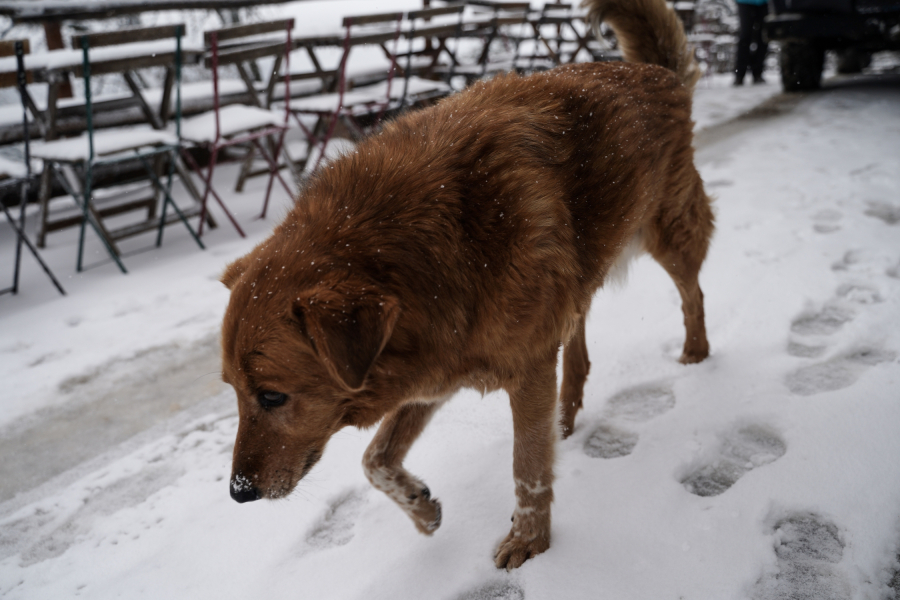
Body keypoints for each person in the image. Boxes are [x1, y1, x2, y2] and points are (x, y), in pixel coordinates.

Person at [733, 0, 768, 85]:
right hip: (745, 2)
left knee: (763, 37)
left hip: (764, 2)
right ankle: (740, 74)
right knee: (745, 36)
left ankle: (758, 72)